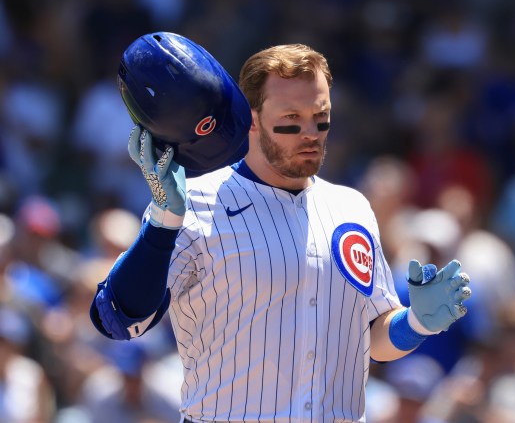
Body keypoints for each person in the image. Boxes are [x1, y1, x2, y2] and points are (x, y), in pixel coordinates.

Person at [90, 35, 472, 423]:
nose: (311, 133)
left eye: (320, 116)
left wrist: (417, 322)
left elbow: (372, 338)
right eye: (292, 119)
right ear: (252, 119)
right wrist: (163, 222)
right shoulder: (194, 205)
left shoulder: (351, 207)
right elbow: (119, 319)